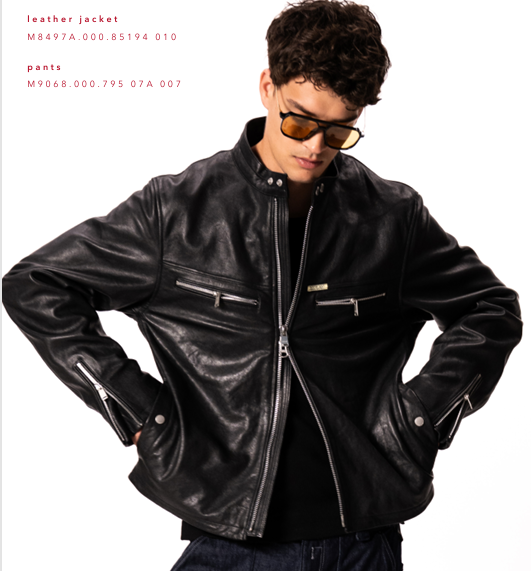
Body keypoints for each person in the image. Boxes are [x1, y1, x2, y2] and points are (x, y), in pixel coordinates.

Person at [2, 1, 523, 570]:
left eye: (340, 130)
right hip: (229, 543)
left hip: (363, 545)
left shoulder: (390, 218)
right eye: (300, 122)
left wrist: (423, 416)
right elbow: (37, 283)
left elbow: (490, 309)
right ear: (267, 88)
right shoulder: (177, 212)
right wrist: (136, 407)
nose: (315, 147)